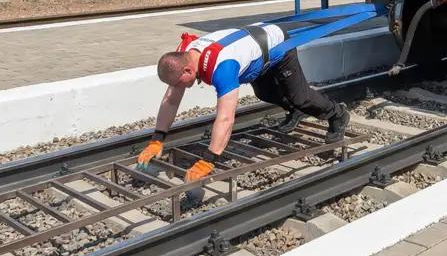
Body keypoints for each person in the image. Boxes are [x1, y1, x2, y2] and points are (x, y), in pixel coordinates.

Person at [136, 24, 350, 183]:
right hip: (255, 53)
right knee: (265, 94)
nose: (178, 87)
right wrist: (157, 139)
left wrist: (208, 159)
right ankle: (294, 111)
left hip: (279, 46)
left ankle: (337, 114)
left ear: (188, 70)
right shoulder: (184, 55)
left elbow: (226, 117)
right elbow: (171, 100)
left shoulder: (223, 68)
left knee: (300, 98)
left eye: (179, 83)